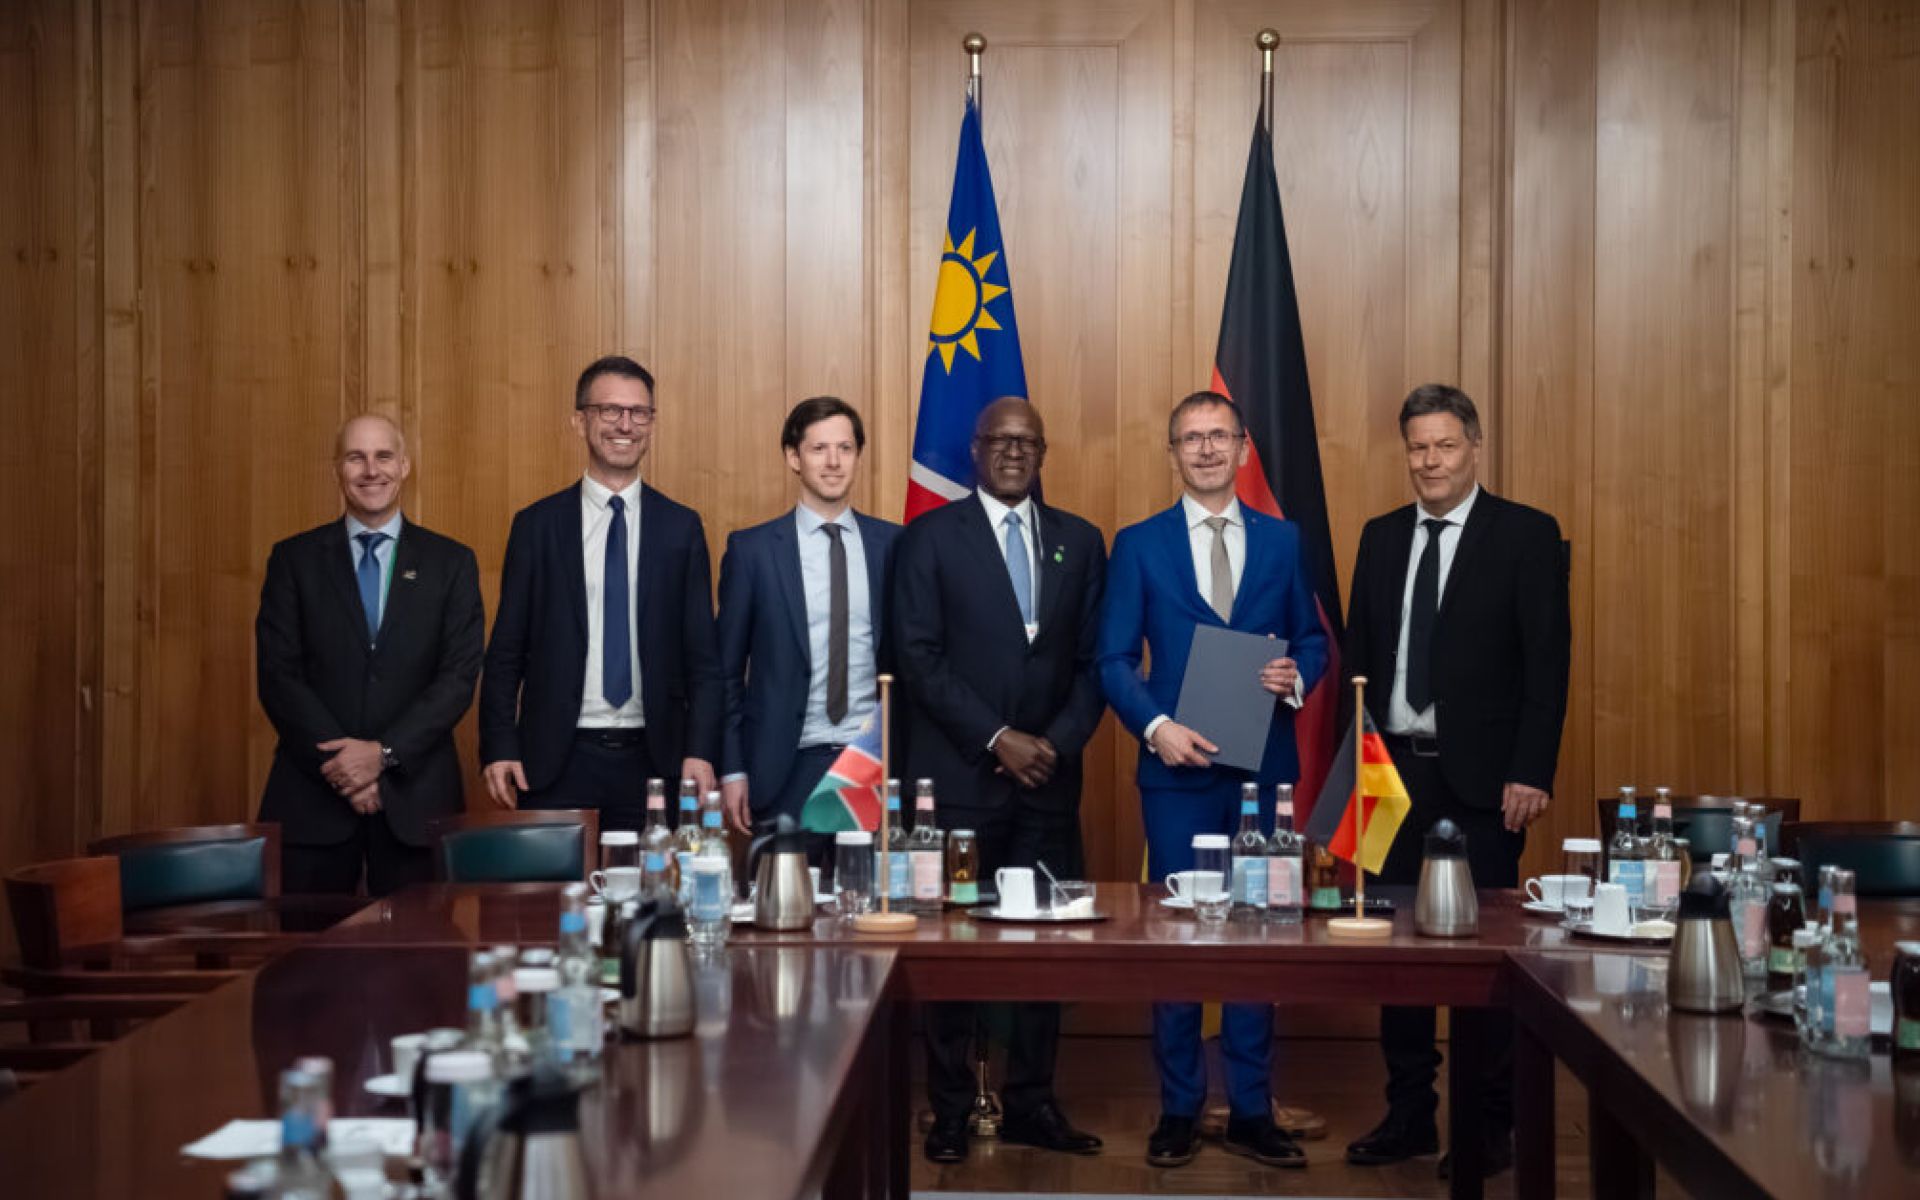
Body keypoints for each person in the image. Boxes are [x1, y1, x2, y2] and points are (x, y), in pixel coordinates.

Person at [1341, 383, 1570, 1179]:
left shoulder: (1527, 535)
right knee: (1397, 956)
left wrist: (1531, 771)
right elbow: (1359, 658)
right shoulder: (1380, 537)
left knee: (1483, 961)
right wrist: (1353, 774)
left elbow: (1547, 665)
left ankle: (1489, 1126)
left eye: (1444, 445)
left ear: (1475, 446)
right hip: (1391, 777)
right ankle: (1408, 1115)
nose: (1430, 461)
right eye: (1417, 447)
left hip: (1485, 783)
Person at [1097, 390, 1329, 1170]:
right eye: (1190, 438)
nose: (1205, 449)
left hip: (1266, 775)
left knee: (1260, 937)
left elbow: (1311, 638)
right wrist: (1156, 728)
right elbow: (1112, 660)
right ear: (1173, 453)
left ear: (1242, 448)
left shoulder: (1283, 540)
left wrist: (1297, 674)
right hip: (1178, 773)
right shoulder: (1138, 545)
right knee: (1179, 938)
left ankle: (1253, 1110)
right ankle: (1178, 1109)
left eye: (1218, 436)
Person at [893, 397, 1108, 1164]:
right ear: (975, 451)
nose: (1014, 452)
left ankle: (1032, 1102)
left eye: (1027, 442)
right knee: (952, 946)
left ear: (1042, 453)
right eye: (999, 440)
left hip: (1048, 782)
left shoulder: (1080, 540)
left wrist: (1052, 744)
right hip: (958, 781)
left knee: (1045, 948)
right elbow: (917, 657)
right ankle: (951, 1108)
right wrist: (996, 737)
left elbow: (1095, 663)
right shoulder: (927, 538)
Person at [478, 356, 722, 831]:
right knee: (556, 884)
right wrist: (499, 745)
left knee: (654, 881)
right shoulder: (536, 527)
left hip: (656, 761)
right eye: (610, 410)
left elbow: (703, 659)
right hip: (555, 760)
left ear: (652, 424)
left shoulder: (681, 528)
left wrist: (701, 749)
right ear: (579, 421)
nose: (625, 425)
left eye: (639, 413)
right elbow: (506, 650)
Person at [256, 414, 485, 895]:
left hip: (416, 799)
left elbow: (458, 678)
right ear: (336, 469)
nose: (371, 470)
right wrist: (346, 772)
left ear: (404, 466)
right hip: (312, 800)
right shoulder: (293, 560)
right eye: (355, 458)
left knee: (419, 943)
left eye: (383, 456)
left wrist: (383, 756)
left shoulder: (451, 563)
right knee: (306, 945)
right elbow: (279, 676)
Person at [716, 397, 899, 839]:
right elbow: (724, 673)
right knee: (786, 887)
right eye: (819, 449)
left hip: (871, 761)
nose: (834, 462)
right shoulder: (752, 552)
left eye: (845, 448)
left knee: (872, 887)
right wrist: (732, 768)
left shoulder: (895, 546)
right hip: (783, 767)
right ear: (793, 457)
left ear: (858, 456)